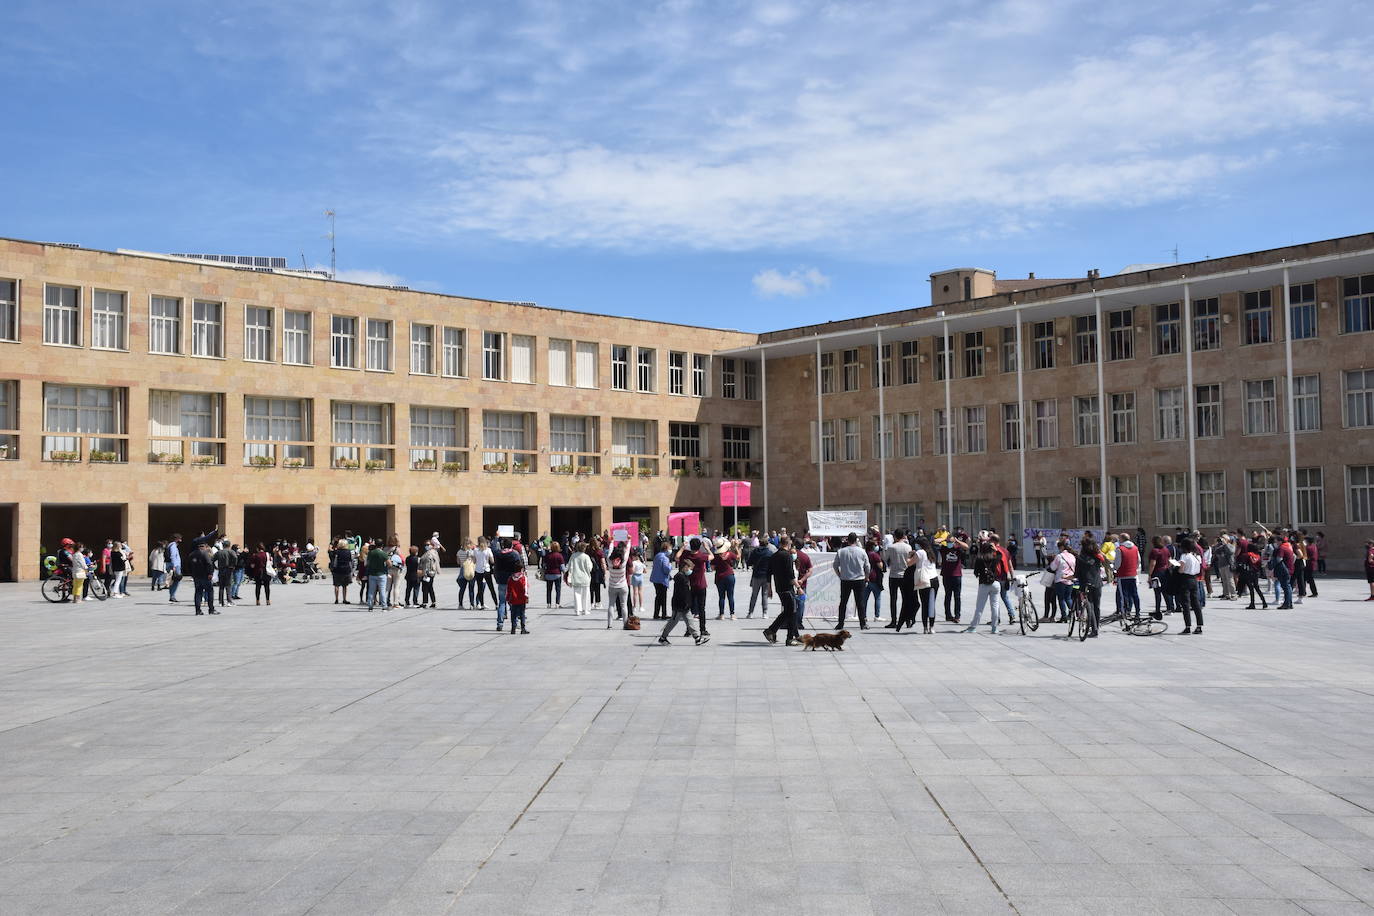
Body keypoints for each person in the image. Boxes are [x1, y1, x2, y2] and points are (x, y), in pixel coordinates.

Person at [658, 555, 709, 646]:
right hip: (679, 605)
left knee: (690, 621)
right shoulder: (680, 577)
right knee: (673, 622)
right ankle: (663, 637)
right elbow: (681, 593)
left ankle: (697, 638)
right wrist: (685, 603)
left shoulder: (684, 576)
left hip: (685, 605)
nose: (691, 570)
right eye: (690, 568)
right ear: (685, 567)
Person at [761, 537, 801, 646]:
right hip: (788, 588)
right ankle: (786, 637)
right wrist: (798, 588)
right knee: (791, 611)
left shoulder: (774, 556)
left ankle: (792, 635)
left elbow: (768, 573)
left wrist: (769, 589)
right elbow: (790, 574)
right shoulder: (787, 556)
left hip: (779, 588)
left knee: (789, 611)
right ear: (787, 544)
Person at [832, 532, 871, 630]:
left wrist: (839, 575)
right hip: (859, 579)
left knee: (843, 602)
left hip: (846, 579)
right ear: (856, 540)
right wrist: (867, 576)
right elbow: (867, 566)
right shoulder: (862, 551)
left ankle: (840, 623)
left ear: (847, 540)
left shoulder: (841, 551)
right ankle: (862, 623)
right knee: (860, 602)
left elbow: (835, 565)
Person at [962, 542, 1002, 635]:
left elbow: (976, 573)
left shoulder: (979, 558)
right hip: (995, 583)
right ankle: (994, 628)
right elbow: (1000, 555)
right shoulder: (994, 557)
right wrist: (996, 549)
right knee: (995, 606)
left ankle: (973, 626)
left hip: (984, 584)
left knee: (979, 607)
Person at [1076, 534, 1105, 638]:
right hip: (1097, 583)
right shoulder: (1097, 556)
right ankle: (1095, 627)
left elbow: (1077, 573)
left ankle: (1094, 629)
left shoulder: (1080, 557)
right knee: (1096, 607)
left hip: (1085, 584)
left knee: (1090, 606)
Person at [1174, 535, 1203, 634]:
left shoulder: (1184, 556)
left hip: (1185, 579)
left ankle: (1188, 626)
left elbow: (1181, 570)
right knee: (1196, 603)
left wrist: (1177, 568)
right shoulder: (1196, 555)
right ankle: (1199, 625)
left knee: (1185, 603)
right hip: (1194, 579)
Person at [493, 538, 523, 629]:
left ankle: (500, 624)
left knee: (502, 602)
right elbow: (519, 567)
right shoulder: (514, 554)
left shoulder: (498, 554)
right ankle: (515, 623)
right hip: (512, 580)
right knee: (513, 602)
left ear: (502, 545)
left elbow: (495, 567)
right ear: (511, 546)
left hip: (501, 580)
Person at [939, 531, 968, 623]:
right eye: (948, 542)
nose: (950, 544)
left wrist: (957, 541)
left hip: (957, 575)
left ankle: (957, 616)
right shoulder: (944, 549)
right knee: (948, 595)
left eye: (951, 542)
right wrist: (945, 539)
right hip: (946, 575)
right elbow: (934, 541)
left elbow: (967, 547)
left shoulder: (958, 549)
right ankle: (948, 615)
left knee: (957, 596)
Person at [746, 537, 775, 619]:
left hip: (756, 575)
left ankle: (750, 612)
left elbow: (749, 562)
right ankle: (765, 613)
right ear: (767, 544)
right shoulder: (769, 553)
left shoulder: (754, 552)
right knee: (765, 595)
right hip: (766, 576)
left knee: (754, 595)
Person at [1049, 539, 1076, 623]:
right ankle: (1072, 614)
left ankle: (1063, 616)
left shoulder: (1059, 556)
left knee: (1061, 599)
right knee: (1068, 598)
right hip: (1070, 579)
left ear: (1061, 547)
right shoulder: (1072, 556)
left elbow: (1053, 567)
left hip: (1060, 579)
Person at [188, 537, 217, 615]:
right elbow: (209, 563)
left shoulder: (191, 554)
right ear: (203, 546)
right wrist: (210, 573)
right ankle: (211, 609)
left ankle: (198, 610)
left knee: (198, 592)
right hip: (205, 576)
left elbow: (188, 565)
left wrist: (192, 574)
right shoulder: (204, 553)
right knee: (210, 591)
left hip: (196, 576)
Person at [1147, 535, 1173, 619]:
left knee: (1157, 592)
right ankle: (1169, 608)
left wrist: (1150, 575)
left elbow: (1152, 564)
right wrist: (1167, 567)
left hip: (1156, 573)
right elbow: (1170, 560)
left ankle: (1157, 610)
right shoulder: (1166, 549)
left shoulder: (1155, 551)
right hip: (1165, 572)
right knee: (1165, 591)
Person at [565, 542, 593, 615]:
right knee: (586, 595)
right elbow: (589, 567)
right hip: (585, 578)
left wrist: (569, 577)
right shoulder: (586, 556)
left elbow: (570, 567)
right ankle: (585, 610)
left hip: (576, 577)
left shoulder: (573, 556)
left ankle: (578, 610)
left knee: (577, 594)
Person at [713, 537, 738, 620]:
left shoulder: (716, 556)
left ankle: (722, 614)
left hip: (719, 576)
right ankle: (732, 614)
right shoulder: (730, 554)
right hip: (730, 575)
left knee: (721, 596)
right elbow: (738, 557)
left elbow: (712, 568)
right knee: (731, 596)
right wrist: (737, 548)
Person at [650, 540, 673, 619]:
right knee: (663, 597)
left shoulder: (658, 555)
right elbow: (666, 569)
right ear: (666, 548)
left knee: (658, 597)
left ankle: (656, 613)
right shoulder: (665, 558)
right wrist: (670, 565)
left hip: (655, 579)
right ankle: (664, 614)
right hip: (662, 580)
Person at [606, 546, 630, 623]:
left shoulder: (609, 562)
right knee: (624, 606)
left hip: (612, 586)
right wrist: (629, 541)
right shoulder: (623, 562)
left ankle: (609, 624)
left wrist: (612, 542)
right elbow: (627, 550)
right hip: (623, 586)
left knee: (611, 605)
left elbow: (609, 552)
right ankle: (625, 623)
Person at [365, 540, 388, 611]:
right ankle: (384, 606)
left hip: (372, 574)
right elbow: (389, 563)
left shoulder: (371, 553)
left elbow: (367, 563)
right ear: (382, 545)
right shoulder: (383, 553)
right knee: (382, 590)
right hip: (381, 574)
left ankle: (370, 606)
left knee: (371, 591)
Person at [506, 565, 530, 634]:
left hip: (513, 598)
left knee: (513, 614)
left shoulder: (511, 578)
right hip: (522, 598)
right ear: (521, 569)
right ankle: (523, 629)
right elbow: (525, 588)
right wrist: (527, 597)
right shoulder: (523, 578)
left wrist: (507, 598)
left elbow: (508, 589)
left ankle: (513, 629)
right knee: (522, 614)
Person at [329, 539, 354, 604]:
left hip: (337, 570)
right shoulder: (348, 552)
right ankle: (344, 599)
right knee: (345, 586)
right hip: (346, 570)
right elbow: (350, 561)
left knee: (336, 585)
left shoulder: (336, 552)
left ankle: (336, 599)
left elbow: (331, 555)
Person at [246, 542, 271, 606]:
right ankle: (268, 601)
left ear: (257, 548)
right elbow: (270, 562)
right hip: (266, 572)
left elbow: (252, 565)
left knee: (258, 586)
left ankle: (258, 601)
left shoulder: (255, 555)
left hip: (258, 572)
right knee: (267, 586)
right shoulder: (267, 554)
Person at [541, 541, 565, 608]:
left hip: (548, 574)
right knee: (558, 589)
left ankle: (548, 603)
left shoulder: (547, 555)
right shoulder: (559, 556)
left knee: (549, 589)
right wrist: (565, 573)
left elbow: (544, 565)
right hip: (557, 574)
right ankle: (557, 603)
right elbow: (562, 567)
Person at [473, 537, 495, 609]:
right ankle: (496, 604)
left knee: (480, 588)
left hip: (478, 570)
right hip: (486, 569)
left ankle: (481, 604)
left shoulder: (475, 550)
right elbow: (492, 561)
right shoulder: (488, 550)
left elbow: (474, 561)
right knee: (491, 587)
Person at [419, 540, 440, 608]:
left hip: (428, 573)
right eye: (426, 544)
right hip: (430, 572)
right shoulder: (430, 552)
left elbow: (429, 564)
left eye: (428, 544)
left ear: (432, 545)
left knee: (425, 587)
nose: (426, 546)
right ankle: (433, 602)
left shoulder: (430, 553)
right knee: (430, 587)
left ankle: (425, 602)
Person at [166, 534, 183, 603]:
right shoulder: (173, 545)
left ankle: (172, 595)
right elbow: (173, 556)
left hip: (174, 565)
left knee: (173, 580)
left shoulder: (171, 545)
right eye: (180, 539)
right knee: (176, 580)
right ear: (176, 539)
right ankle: (172, 595)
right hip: (175, 565)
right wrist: (174, 566)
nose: (181, 540)